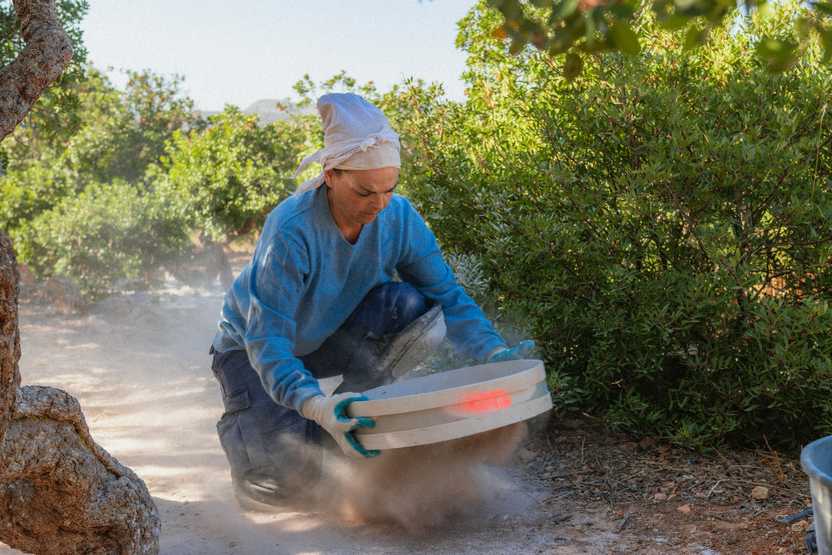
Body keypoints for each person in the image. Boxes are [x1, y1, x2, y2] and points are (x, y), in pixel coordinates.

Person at [209, 92, 535, 508]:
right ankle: (276, 437)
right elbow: (266, 340)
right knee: (280, 485)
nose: (379, 204)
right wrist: (316, 406)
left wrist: (494, 352)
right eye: (364, 192)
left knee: (408, 306)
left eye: (388, 189)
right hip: (253, 350)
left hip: (329, 337)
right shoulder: (290, 230)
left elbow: (447, 296)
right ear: (330, 175)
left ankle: (353, 421)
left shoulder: (398, 217)